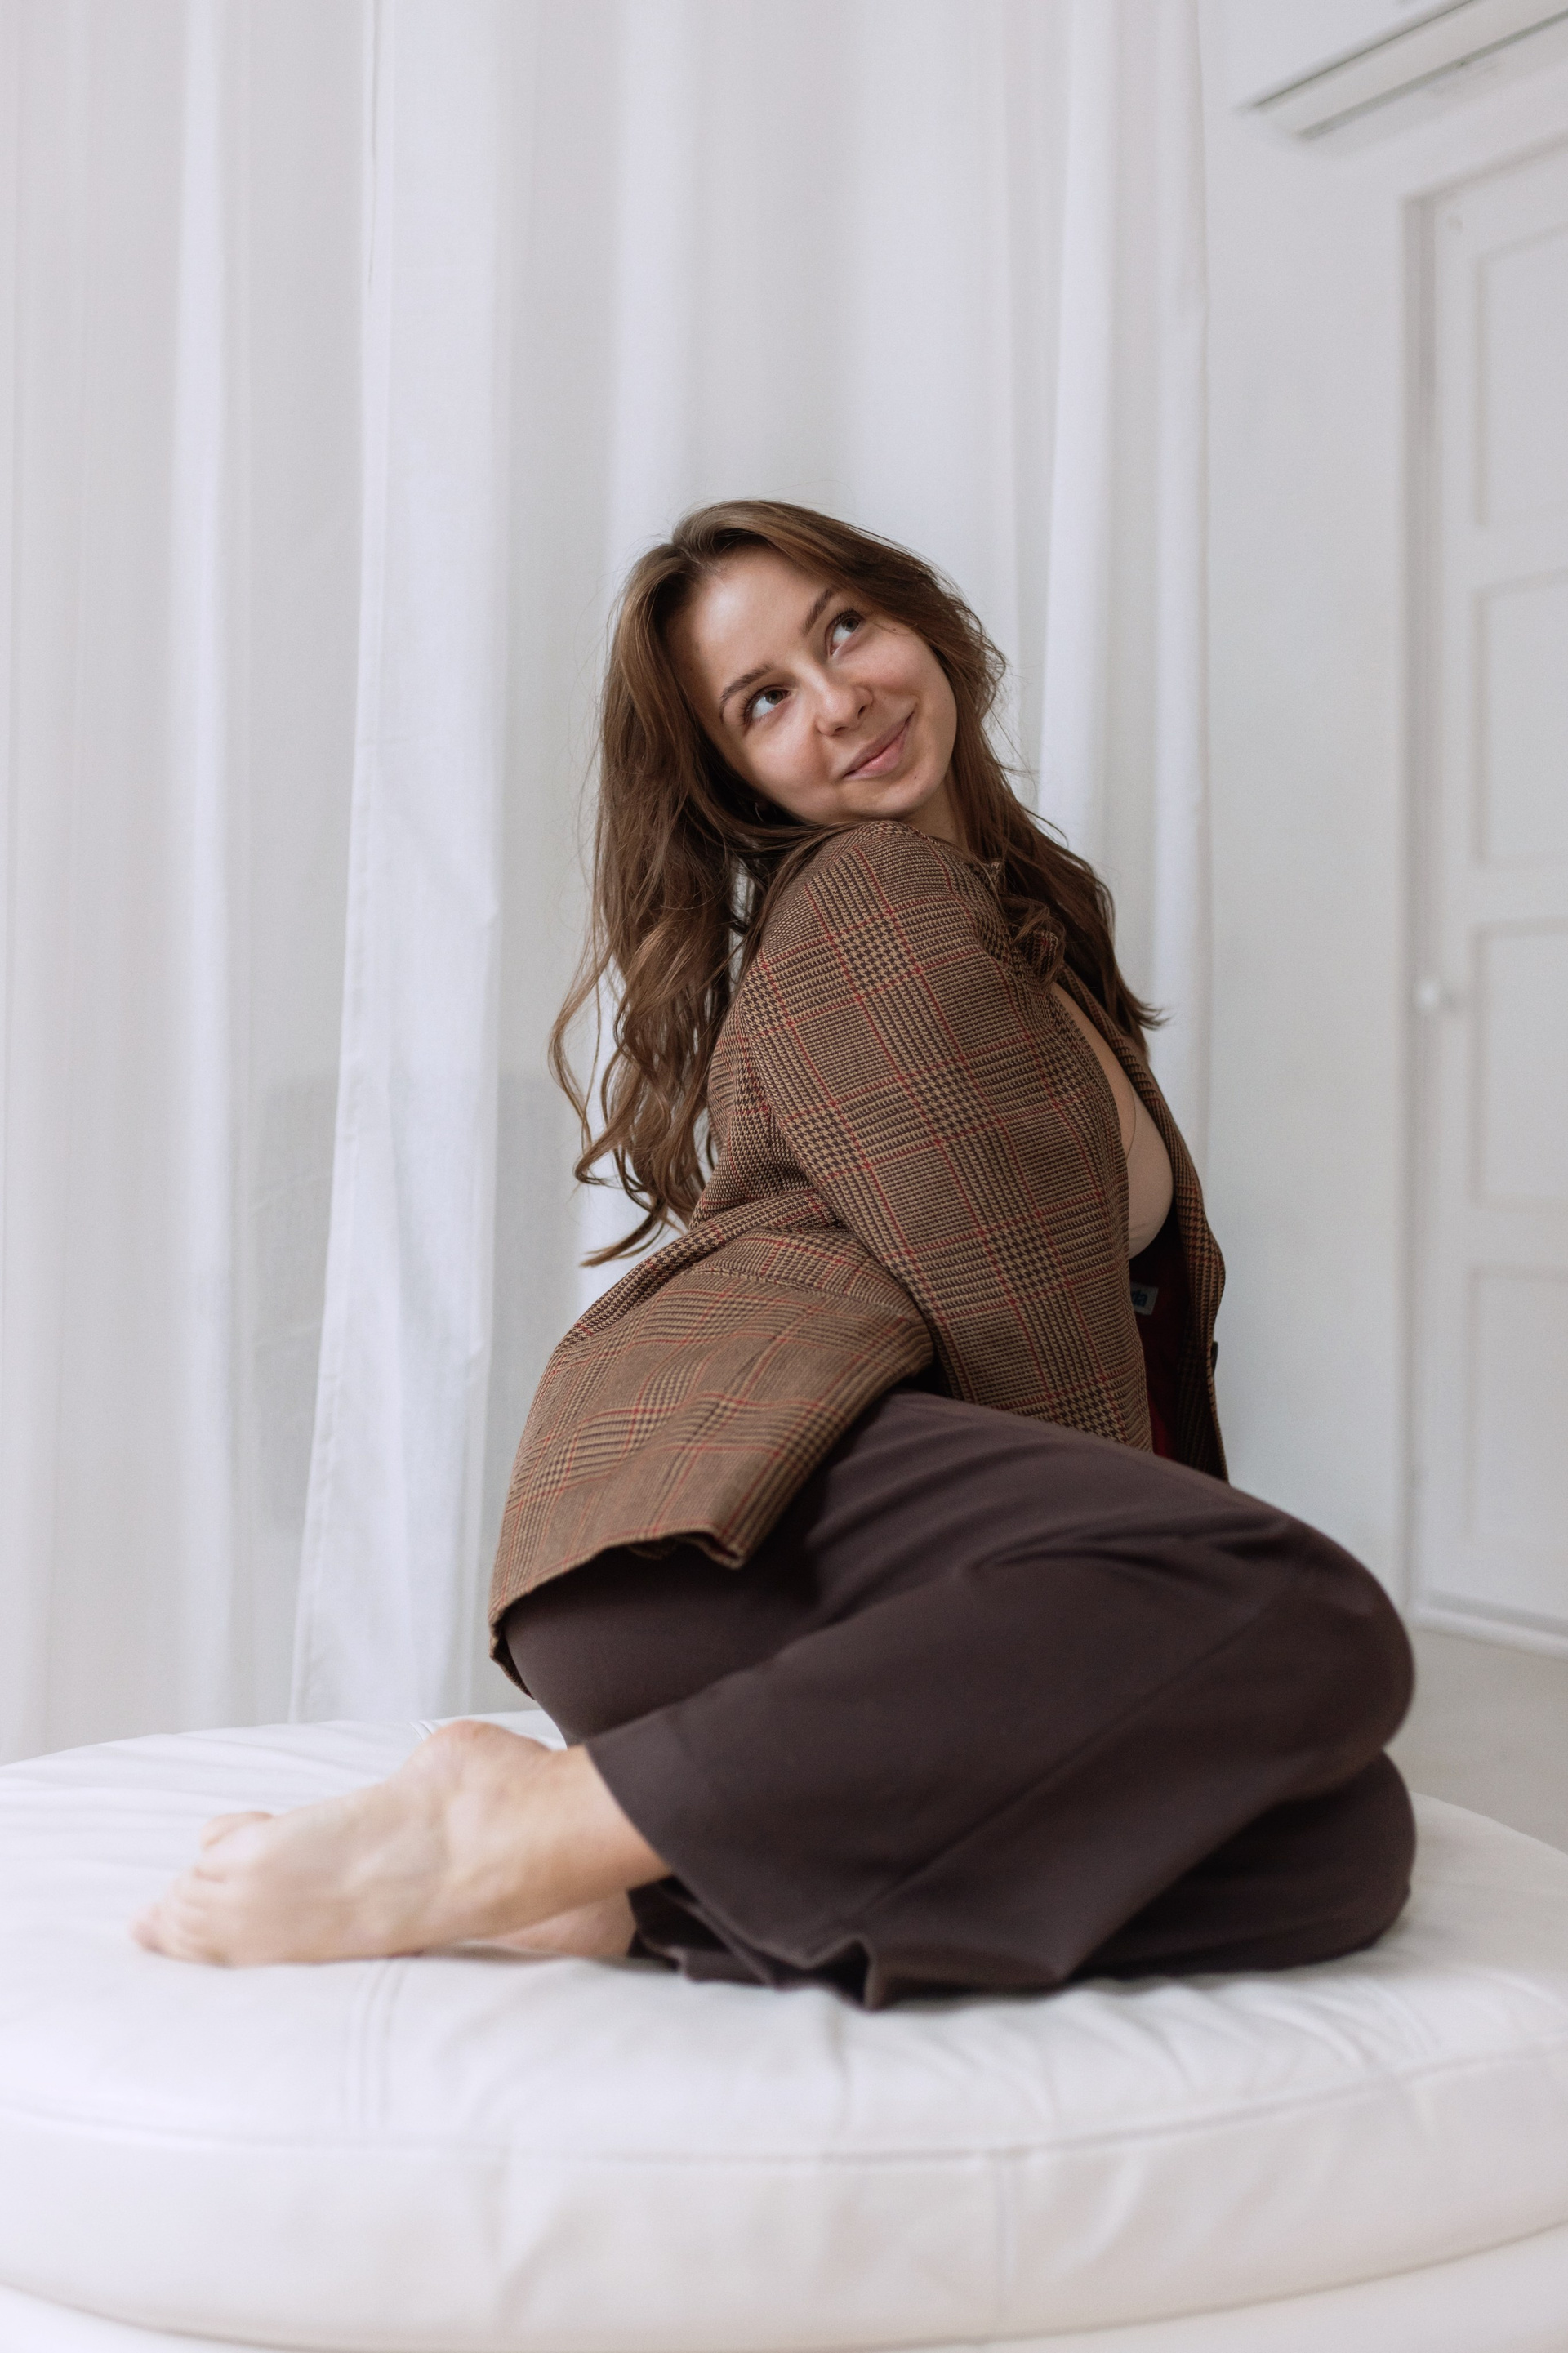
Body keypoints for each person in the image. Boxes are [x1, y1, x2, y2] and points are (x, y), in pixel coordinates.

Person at [135, 501, 1414, 1999]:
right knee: (1305, 1616)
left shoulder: (1021, 921)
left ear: (918, 618)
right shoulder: (881, 898)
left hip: (739, 1592)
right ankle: (511, 1828)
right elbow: (1024, 1331)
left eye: (843, 629)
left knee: (1338, 1837)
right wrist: (1158, 1607)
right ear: (737, 777)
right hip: (738, 1514)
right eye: (764, 701)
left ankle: (626, 1891)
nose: (838, 701)